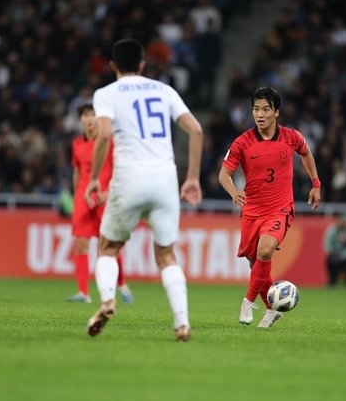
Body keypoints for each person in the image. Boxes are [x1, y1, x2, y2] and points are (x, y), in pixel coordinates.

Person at [84, 38, 203, 341]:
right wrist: (192, 178)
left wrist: (95, 177)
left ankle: (108, 299)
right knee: (166, 255)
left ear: (112, 66)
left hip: (129, 178)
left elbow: (104, 134)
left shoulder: (106, 94)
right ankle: (182, 323)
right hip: (165, 180)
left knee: (108, 247)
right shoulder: (164, 90)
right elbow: (196, 129)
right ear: (142, 65)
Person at [218, 87, 321, 329]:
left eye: (265, 109)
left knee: (265, 251)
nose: (260, 114)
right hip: (252, 211)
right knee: (257, 265)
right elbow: (224, 174)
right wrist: (234, 192)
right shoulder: (242, 142)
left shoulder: (291, 137)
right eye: (256, 109)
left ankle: (247, 302)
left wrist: (316, 183)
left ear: (276, 112)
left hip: (280, 209)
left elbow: (306, 154)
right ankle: (271, 310)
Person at [67, 104, 134, 304]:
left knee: (108, 246)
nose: (88, 119)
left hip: (105, 198)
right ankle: (83, 292)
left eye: (92, 115)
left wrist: (109, 192)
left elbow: (120, 170)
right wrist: (76, 196)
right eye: (85, 116)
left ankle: (121, 283)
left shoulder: (109, 143)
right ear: (80, 120)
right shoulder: (77, 144)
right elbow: (77, 172)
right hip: (83, 198)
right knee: (80, 243)